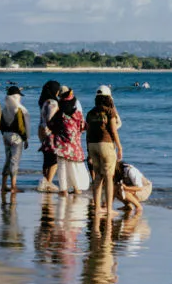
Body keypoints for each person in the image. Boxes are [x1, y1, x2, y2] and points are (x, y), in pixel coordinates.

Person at [86, 85, 123, 215]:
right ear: (109, 98)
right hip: (106, 145)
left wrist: (88, 151)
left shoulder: (90, 112)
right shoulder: (109, 111)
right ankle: (108, 209)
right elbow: (113, 130)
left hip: (92, 145)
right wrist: (119, 147)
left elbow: (88, 132)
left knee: (98, 177)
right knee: (108, 177)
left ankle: (97, 209)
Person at [49, 86, 89, 194]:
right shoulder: (77, 108)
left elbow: (53, 123)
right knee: (73, 165)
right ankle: (76, 188)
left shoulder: (59, 109)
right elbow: (82, 125)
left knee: (62, 165)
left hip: (61, 141)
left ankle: (64, 189)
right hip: (74, 141)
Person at [0, 85, 29, 193]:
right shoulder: (18, 110)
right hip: (16, 137)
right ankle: (13, 186)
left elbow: (0, 124)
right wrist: (25, 138)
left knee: (7, 160)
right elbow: (21, 126)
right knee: (14, 162)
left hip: (6, 136)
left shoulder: (5, 109)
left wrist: (4, 134)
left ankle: (3, 186)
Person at [36, 80, 62, 191]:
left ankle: (45, 180)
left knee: (47, 158)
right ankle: (48, 182)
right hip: (50, 132)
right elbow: (50, 119)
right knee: (54, 159)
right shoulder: (53, 103)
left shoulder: (45, 102)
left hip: (42, 131)